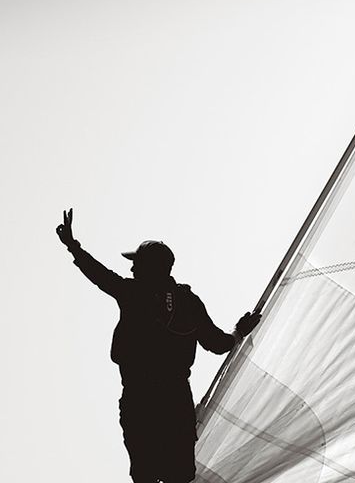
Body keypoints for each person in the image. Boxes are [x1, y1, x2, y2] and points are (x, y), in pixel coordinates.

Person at [56, 207, 260, 483]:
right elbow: (217, 344)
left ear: (149, 267)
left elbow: (100, 275)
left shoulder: (133, 292)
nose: (131, 267)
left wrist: (73, 246)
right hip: (176, 403)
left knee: (145, 475)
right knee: (179, 477)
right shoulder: (189, 302)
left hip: (140, 400)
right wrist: (239, 331)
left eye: (136, 263)